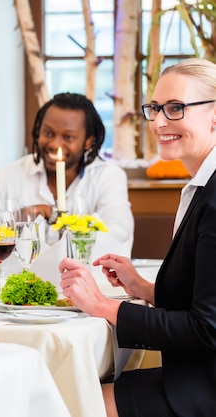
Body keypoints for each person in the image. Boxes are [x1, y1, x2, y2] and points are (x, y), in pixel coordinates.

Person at [59, 58, 216, 417]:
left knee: (62, 401)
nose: (159, 122)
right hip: (194, 376)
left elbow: (206, 329)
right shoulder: (204, 184)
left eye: (176, 108)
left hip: (203, 389)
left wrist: (102, 306)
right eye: (155, 108)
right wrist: (144, 289)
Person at [0, 92, 134, 247]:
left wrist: (54, 215)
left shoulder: (108, 176)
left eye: (68, 137)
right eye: (48, 133)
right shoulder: (7, 176)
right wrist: (15, 220)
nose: (55, 144)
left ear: (88, 141)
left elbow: (118, 233)